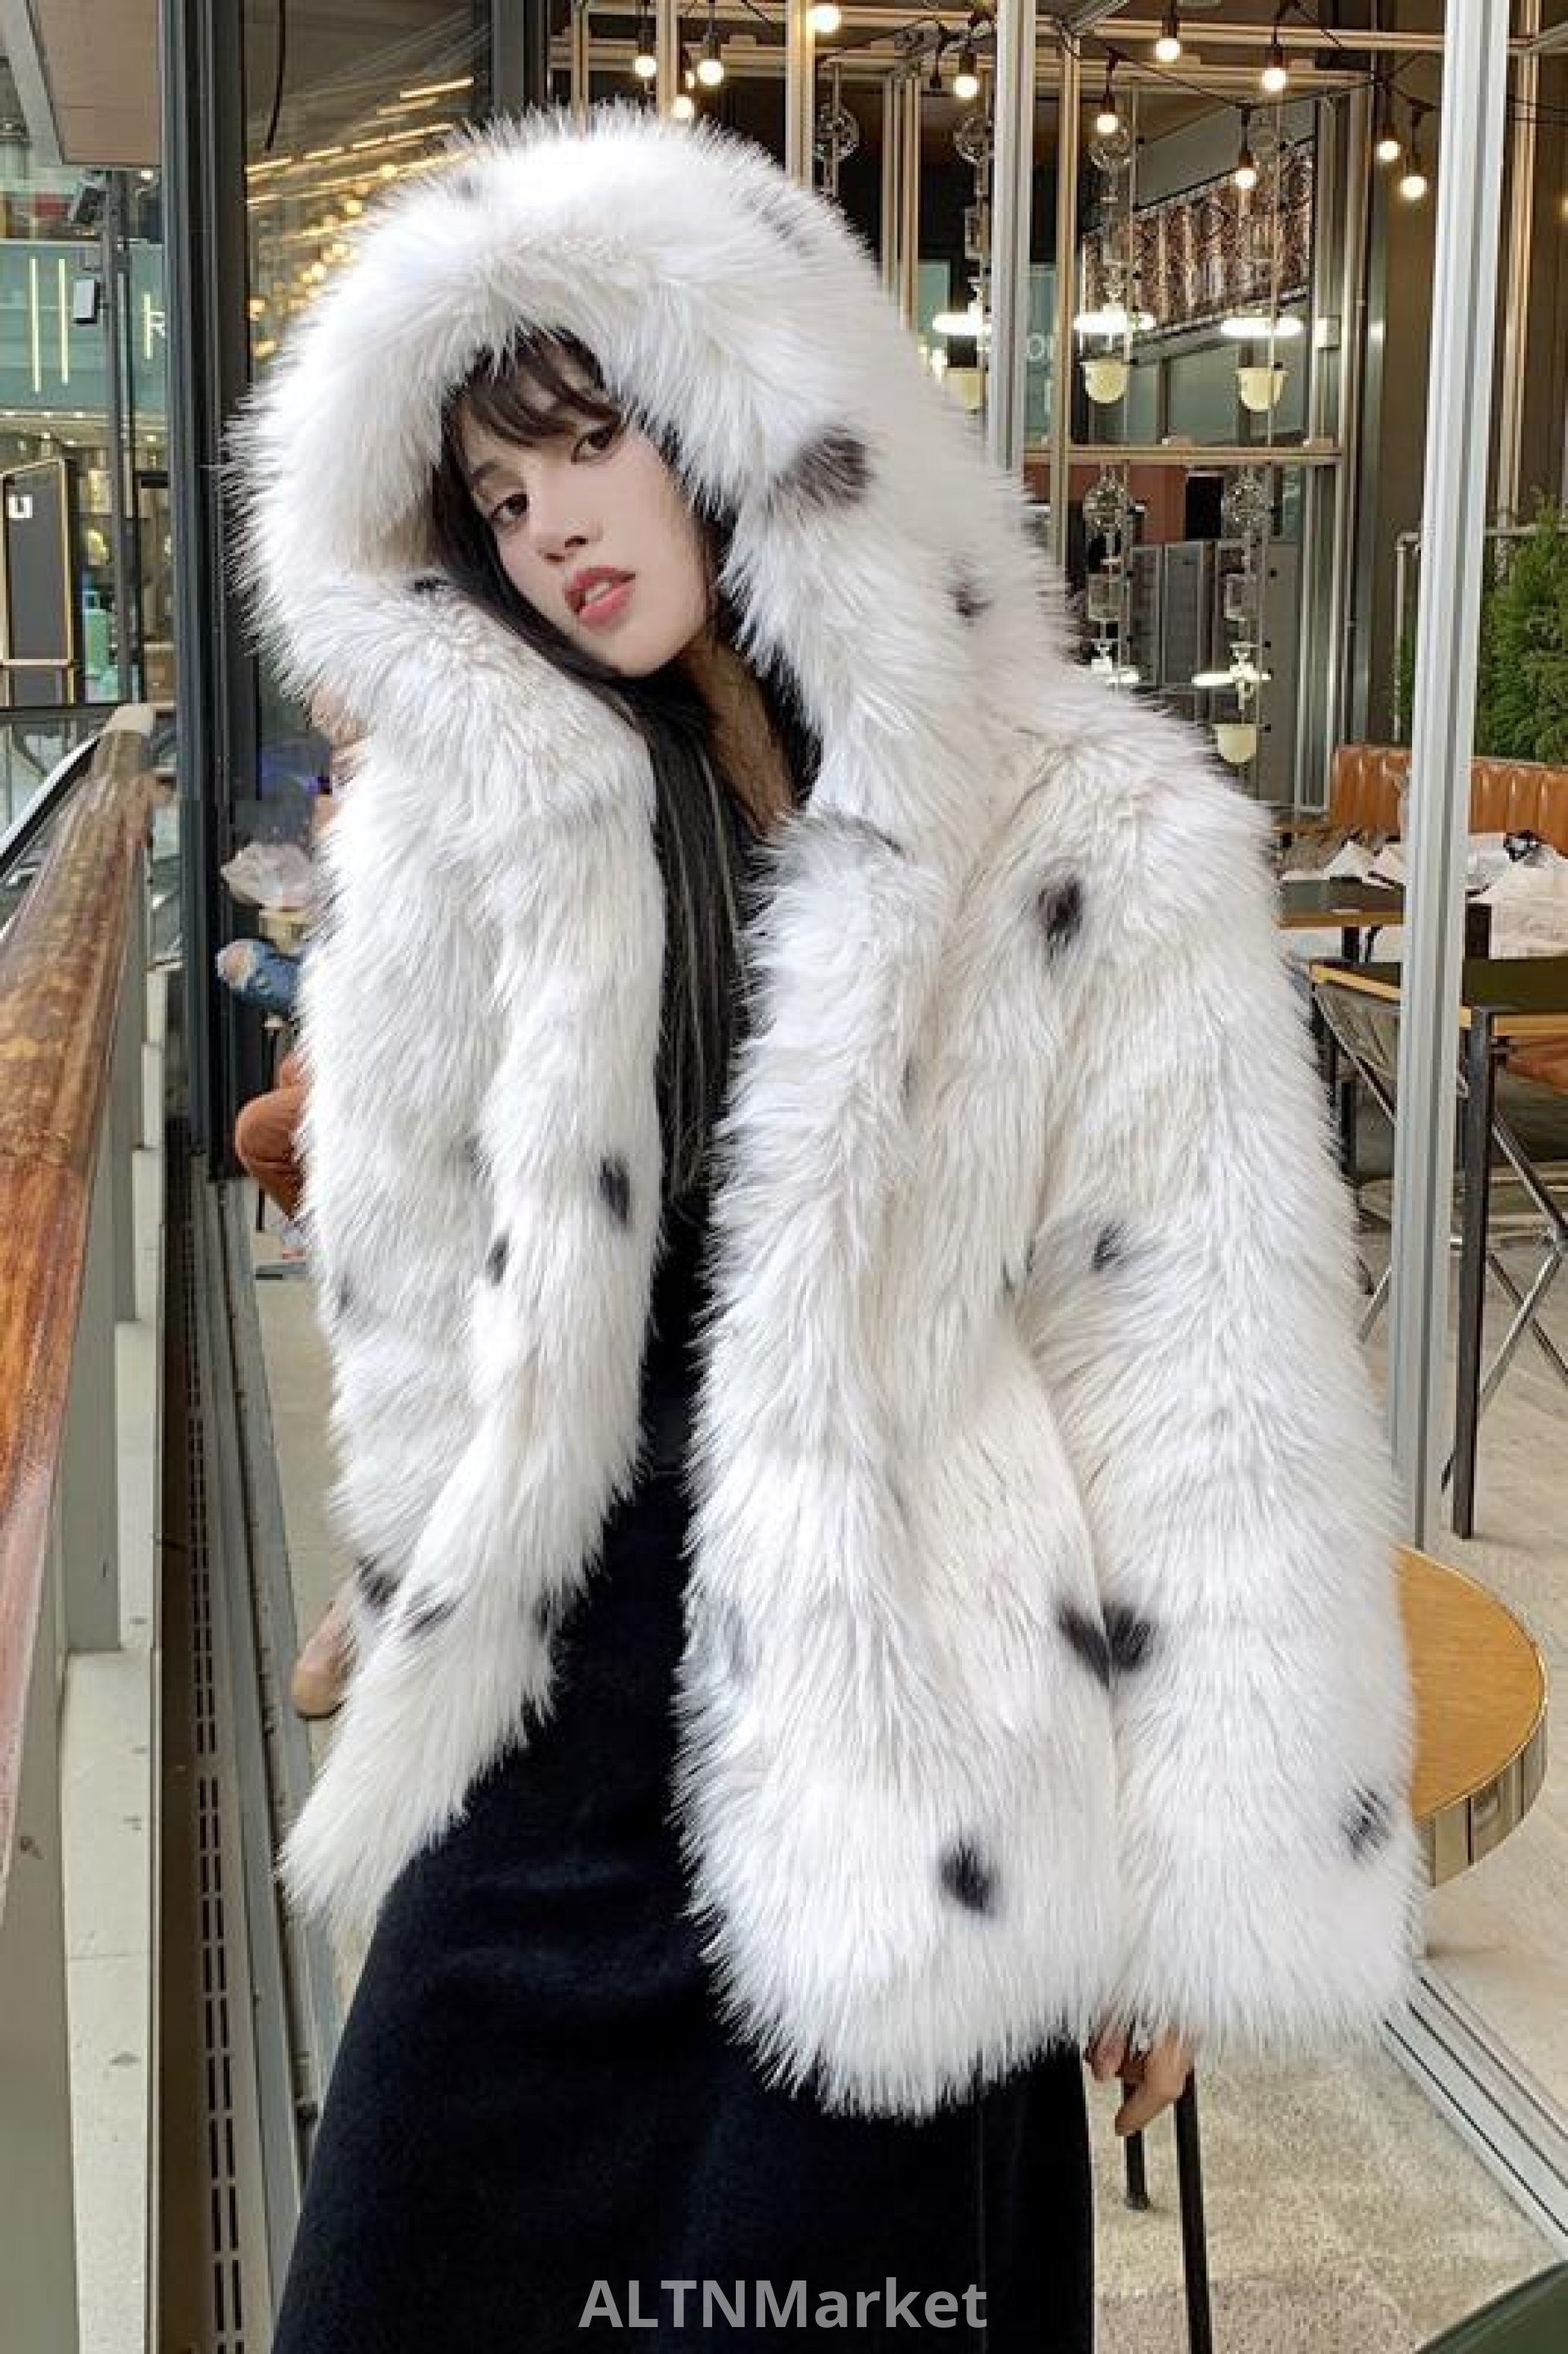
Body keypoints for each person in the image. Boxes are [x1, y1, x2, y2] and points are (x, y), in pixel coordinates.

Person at [235, 114, 1416, 2352]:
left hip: (907, 1751)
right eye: (496, 493)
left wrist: (1190, 1877)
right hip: (559, 1742)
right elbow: (413, 1288)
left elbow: (1203, 1380)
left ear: (747, 413)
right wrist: (418, 1581)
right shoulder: (494, 823)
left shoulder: (1081, 819)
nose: (552, 527)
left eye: (586, 443)